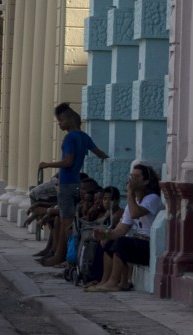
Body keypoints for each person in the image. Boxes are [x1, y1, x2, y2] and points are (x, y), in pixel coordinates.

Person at [38, 103, 108, 266]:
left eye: (61, 120)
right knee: (72, 222)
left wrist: (47, 165)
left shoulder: (70, 138)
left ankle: (62, 257)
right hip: (77, 183)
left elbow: (68, 162)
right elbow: (100, 153)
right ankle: (63, 255)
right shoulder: (84, 136)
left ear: (70, 119)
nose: (60, 124)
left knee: (66, 222)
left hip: (67, 183)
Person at [86, 164, 164, 292]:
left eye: (136, 176)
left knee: (123, 243)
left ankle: (114, 282)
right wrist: (105, 234)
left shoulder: (152, 198)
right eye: (131, 176)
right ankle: (106, 281)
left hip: (151, 246)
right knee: (109, 242)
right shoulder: (132, 203)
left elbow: (135, 213)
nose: (131, 179)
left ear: (146, 181)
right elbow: (121, 230)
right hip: (139, 243)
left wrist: (130, 192)